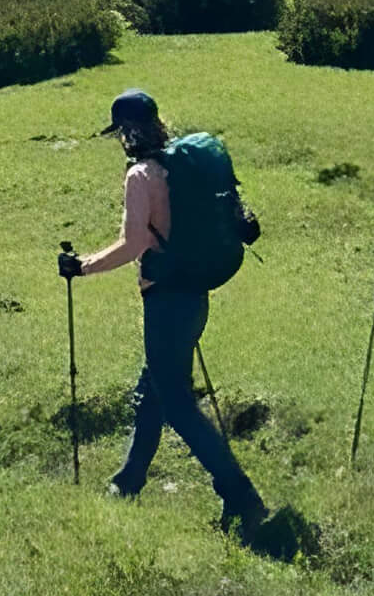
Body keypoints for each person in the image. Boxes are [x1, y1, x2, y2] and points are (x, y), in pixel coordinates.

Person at [60, 89, 267, 534]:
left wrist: (82, 267)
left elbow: (134, 244)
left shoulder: (141, 175)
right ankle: (128, 482)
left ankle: (242, 497)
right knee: (151, 391)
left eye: (120, 132)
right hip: (195, 296)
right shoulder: (181, 165)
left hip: (166, 301)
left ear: (128, 132)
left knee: (177, 406)